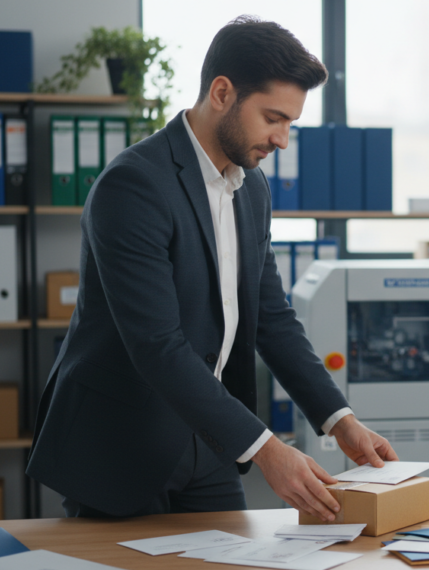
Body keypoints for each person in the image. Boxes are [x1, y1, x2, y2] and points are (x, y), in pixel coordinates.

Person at [27, 16, 397, 519]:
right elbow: (157, 346)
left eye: (290, 122)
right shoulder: (133, 187)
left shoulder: (252, 187)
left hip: (212, 438)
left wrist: (340, 420)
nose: (283, 139)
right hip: (123, 444)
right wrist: (267, 448)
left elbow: (271, 316)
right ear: (222, 92)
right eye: (273, 118)